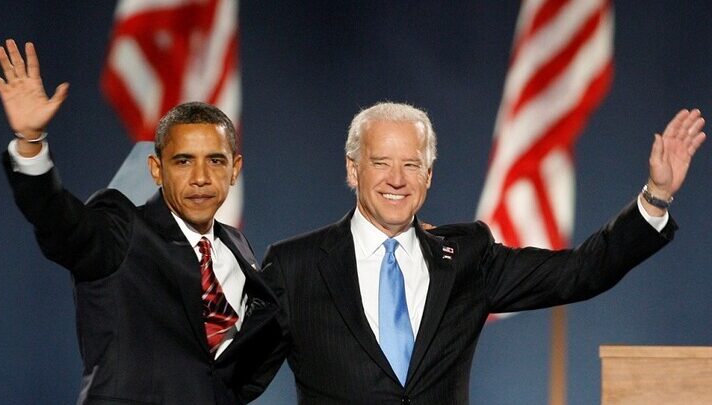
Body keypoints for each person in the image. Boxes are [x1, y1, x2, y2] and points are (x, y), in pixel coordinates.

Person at [258, 102, 705, 404]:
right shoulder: (296, 265)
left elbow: (580, 272)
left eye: (411, 164)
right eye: (381, 163)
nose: (397, 178)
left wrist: (656, 196)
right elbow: (240, 375)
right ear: (353, 169)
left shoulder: (466, 258)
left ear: (428, 175)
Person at [0, 39, 282, 405]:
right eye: (183, 161)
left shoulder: (236, 247)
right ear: (156, 169)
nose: (201, 178)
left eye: (216, 161)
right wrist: (30, 142)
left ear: (235, 169)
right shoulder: (122, 229)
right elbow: (62, 224)